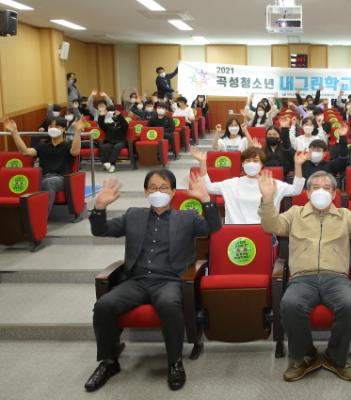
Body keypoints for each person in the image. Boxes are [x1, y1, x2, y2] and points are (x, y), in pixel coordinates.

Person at [84, 170, 221, 392]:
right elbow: (102, 230)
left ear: (173, 192)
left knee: (168, 304)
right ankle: (109, 362)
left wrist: (205, 199)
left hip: (169, 280)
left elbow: (213, 227)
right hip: (136, 280)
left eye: (164, 187)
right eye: (153, 187)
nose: (158, 191)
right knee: (104, 305)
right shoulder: (133, 215)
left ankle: (175, 362)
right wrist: (99, 207)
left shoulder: (187, 217)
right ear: (146, 192)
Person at [258, 169, 351, 382]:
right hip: (302, 279)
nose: (321, 192)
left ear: (334, 194)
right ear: (307, 193)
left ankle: (336, 357)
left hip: (336, 278)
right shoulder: (295, 213)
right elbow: (271, 225)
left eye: (326, 188)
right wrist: (268, 199)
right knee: (290, 305)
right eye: (316, 188)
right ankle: (306, 356)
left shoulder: (344, 215)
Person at [192, 146, 307, 224]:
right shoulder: (231, 183)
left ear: (262, 164)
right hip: (235, 232)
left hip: (264, 232)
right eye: (247, 160)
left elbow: (296, 190)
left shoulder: (271, 183)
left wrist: (298, 165)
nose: (251, 163)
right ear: (242, 164)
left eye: (255, 160)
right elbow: (209, 187)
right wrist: (202, 162)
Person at [3, 117, 83, 214]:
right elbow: (25, 151)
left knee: (49, 182)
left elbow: (75, 152)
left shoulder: (68, 145)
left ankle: (41, 216)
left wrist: (77, 131)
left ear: (63, 129)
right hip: (43, 177)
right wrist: (14, 132)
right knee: (29, 180)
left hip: (62, 179)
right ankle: (19, 213)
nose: (53, 128)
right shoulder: (42, 145)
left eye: (57, 126)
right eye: (50, 126)